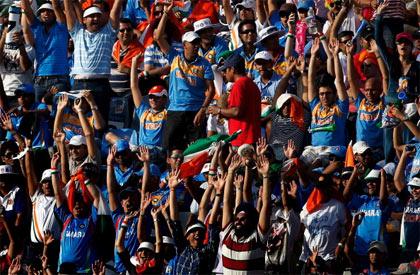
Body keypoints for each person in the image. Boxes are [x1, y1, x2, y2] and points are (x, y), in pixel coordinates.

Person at [156, 2, 215, 150]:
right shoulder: (174, 57)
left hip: (195, 111)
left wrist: (202, 110)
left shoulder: (204, 64)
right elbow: (158, 37)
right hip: (175, 110)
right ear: (184, 45)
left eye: (197, 43)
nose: (196, 46)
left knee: (196, 151)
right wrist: (165, 14)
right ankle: (172, 173)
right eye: (192, 43)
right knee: (171, 149)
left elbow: (211, 90)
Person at [63, 0, 124, 121]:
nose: (96, 18)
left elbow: (115, 11)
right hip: (78, 84)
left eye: (98, 16)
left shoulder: (109, 33)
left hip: (100, 85)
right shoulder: (77, 32)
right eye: (91, 16)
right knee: (77, 123)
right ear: (84, 20)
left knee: (100, 124)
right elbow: (69, 10)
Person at [50, 152, 100, 273]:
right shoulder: (67, 218)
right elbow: (57, 194)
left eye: (80, 205)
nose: (77, 207)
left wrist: (85, 179)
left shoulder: (90, 221)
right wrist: (53, 169)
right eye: (75, 205)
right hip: (63, 270)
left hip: (83, 270)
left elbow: (97, 198)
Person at [20, 0, 70, 101]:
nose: (46, 13)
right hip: (39, 80)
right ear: (40, 14)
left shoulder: (62, 26)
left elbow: (56, 7)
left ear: (55, 13)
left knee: (59, 113)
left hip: (59, 80)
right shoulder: (37, 28)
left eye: (49, 11)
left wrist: (55, 4)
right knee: (38, 114)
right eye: (42, 11)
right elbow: (26, 9)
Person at [208, 54, 261, 147]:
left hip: (242, 139)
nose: (224, 74)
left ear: (232, 69)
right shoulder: (252, 84)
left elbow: (236, 111)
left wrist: (218, 110)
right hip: (252, 137)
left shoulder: (239, 85)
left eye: (226, 70)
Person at [308, 38, 349, 147]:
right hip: (314, 151)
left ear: (335, 94)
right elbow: (310, 81)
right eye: (321, 94)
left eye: (328, 93)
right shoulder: (315, 106)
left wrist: (335, 56)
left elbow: (339, 81)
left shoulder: (340, 108)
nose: (324, 97)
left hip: (334, 151)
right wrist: (312, 56)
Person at [110, 18, 145, 93]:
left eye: (128, 30)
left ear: (133, 31)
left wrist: (128, 70)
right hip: (111, 94)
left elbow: (145, 76)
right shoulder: (112, 49)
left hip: (130, 96)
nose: (125, 32)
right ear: (117, 32)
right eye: (122, 30)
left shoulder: (141, 51)